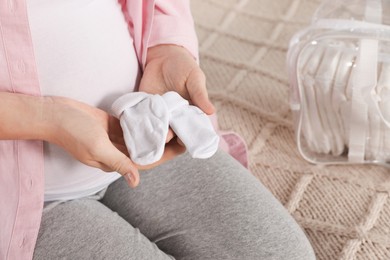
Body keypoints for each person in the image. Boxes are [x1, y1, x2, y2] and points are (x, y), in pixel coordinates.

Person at [0, 0, 316, 259]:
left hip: (146, 132)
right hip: (24, 202)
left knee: (282, 253)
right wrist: (47, 117)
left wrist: (165, 49)